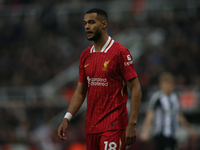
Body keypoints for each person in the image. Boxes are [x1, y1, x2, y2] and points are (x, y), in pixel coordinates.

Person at [57, 8, 142, 150]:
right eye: (85, 23)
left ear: (104, 24)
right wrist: (67, 118)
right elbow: (80, 92)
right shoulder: (85, 55)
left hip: (114, 125)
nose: (87, 27)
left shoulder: (120, 52)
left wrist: (132, 123)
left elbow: (136, 88)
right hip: (91, 128)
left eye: (91, 22)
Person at [140, 72, 196, 150]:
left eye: (171, 84)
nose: (169, 86)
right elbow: (150, 115)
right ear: (161, 84)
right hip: (161, 134)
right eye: (166, 83)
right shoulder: (157, 97)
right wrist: (145, 131)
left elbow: (179, 116)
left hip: (173, 134)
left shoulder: (175, 98)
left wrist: (190, 129)